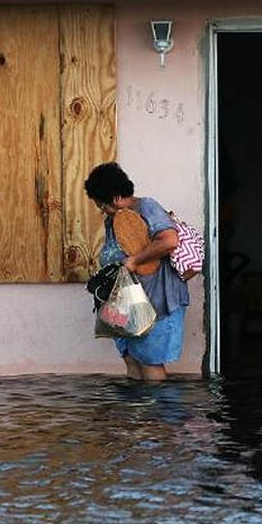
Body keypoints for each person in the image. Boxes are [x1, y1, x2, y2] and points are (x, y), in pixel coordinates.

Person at [85, 162, 190, 382]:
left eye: (101, 204)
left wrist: (135, 261)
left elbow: (169, 241)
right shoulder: (114, 218)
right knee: (131, 357)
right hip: (127, 301)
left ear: (115, 197)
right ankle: (137, 403)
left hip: (156, 300)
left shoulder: (147, 208)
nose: (102, 210)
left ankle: (156, 404)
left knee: (149, 360)